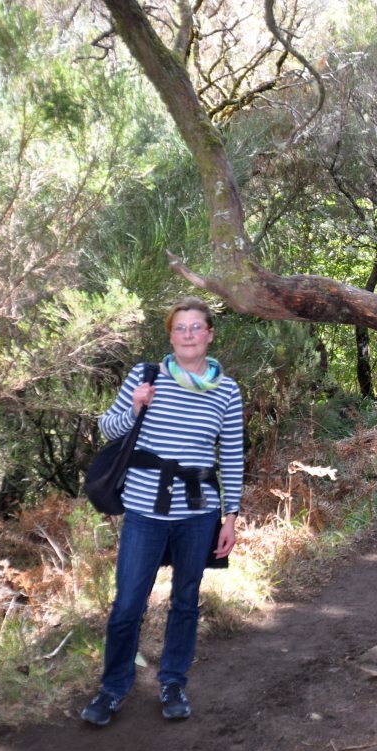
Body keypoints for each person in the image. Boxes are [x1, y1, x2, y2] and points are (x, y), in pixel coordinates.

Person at [81, 297, 245, 726]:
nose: (188, 335)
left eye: (196, 328)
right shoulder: (146, 375)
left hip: (199, 511)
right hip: (144, 509)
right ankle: (113, 689)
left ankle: (173, 683)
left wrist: (231, 516)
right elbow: (108, 428)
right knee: (128, 604)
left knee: (186, 600)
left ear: (209, 333)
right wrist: (135, 405)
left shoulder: (227, 390)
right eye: (180, 328)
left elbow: (230, 455)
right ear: (170, 336)